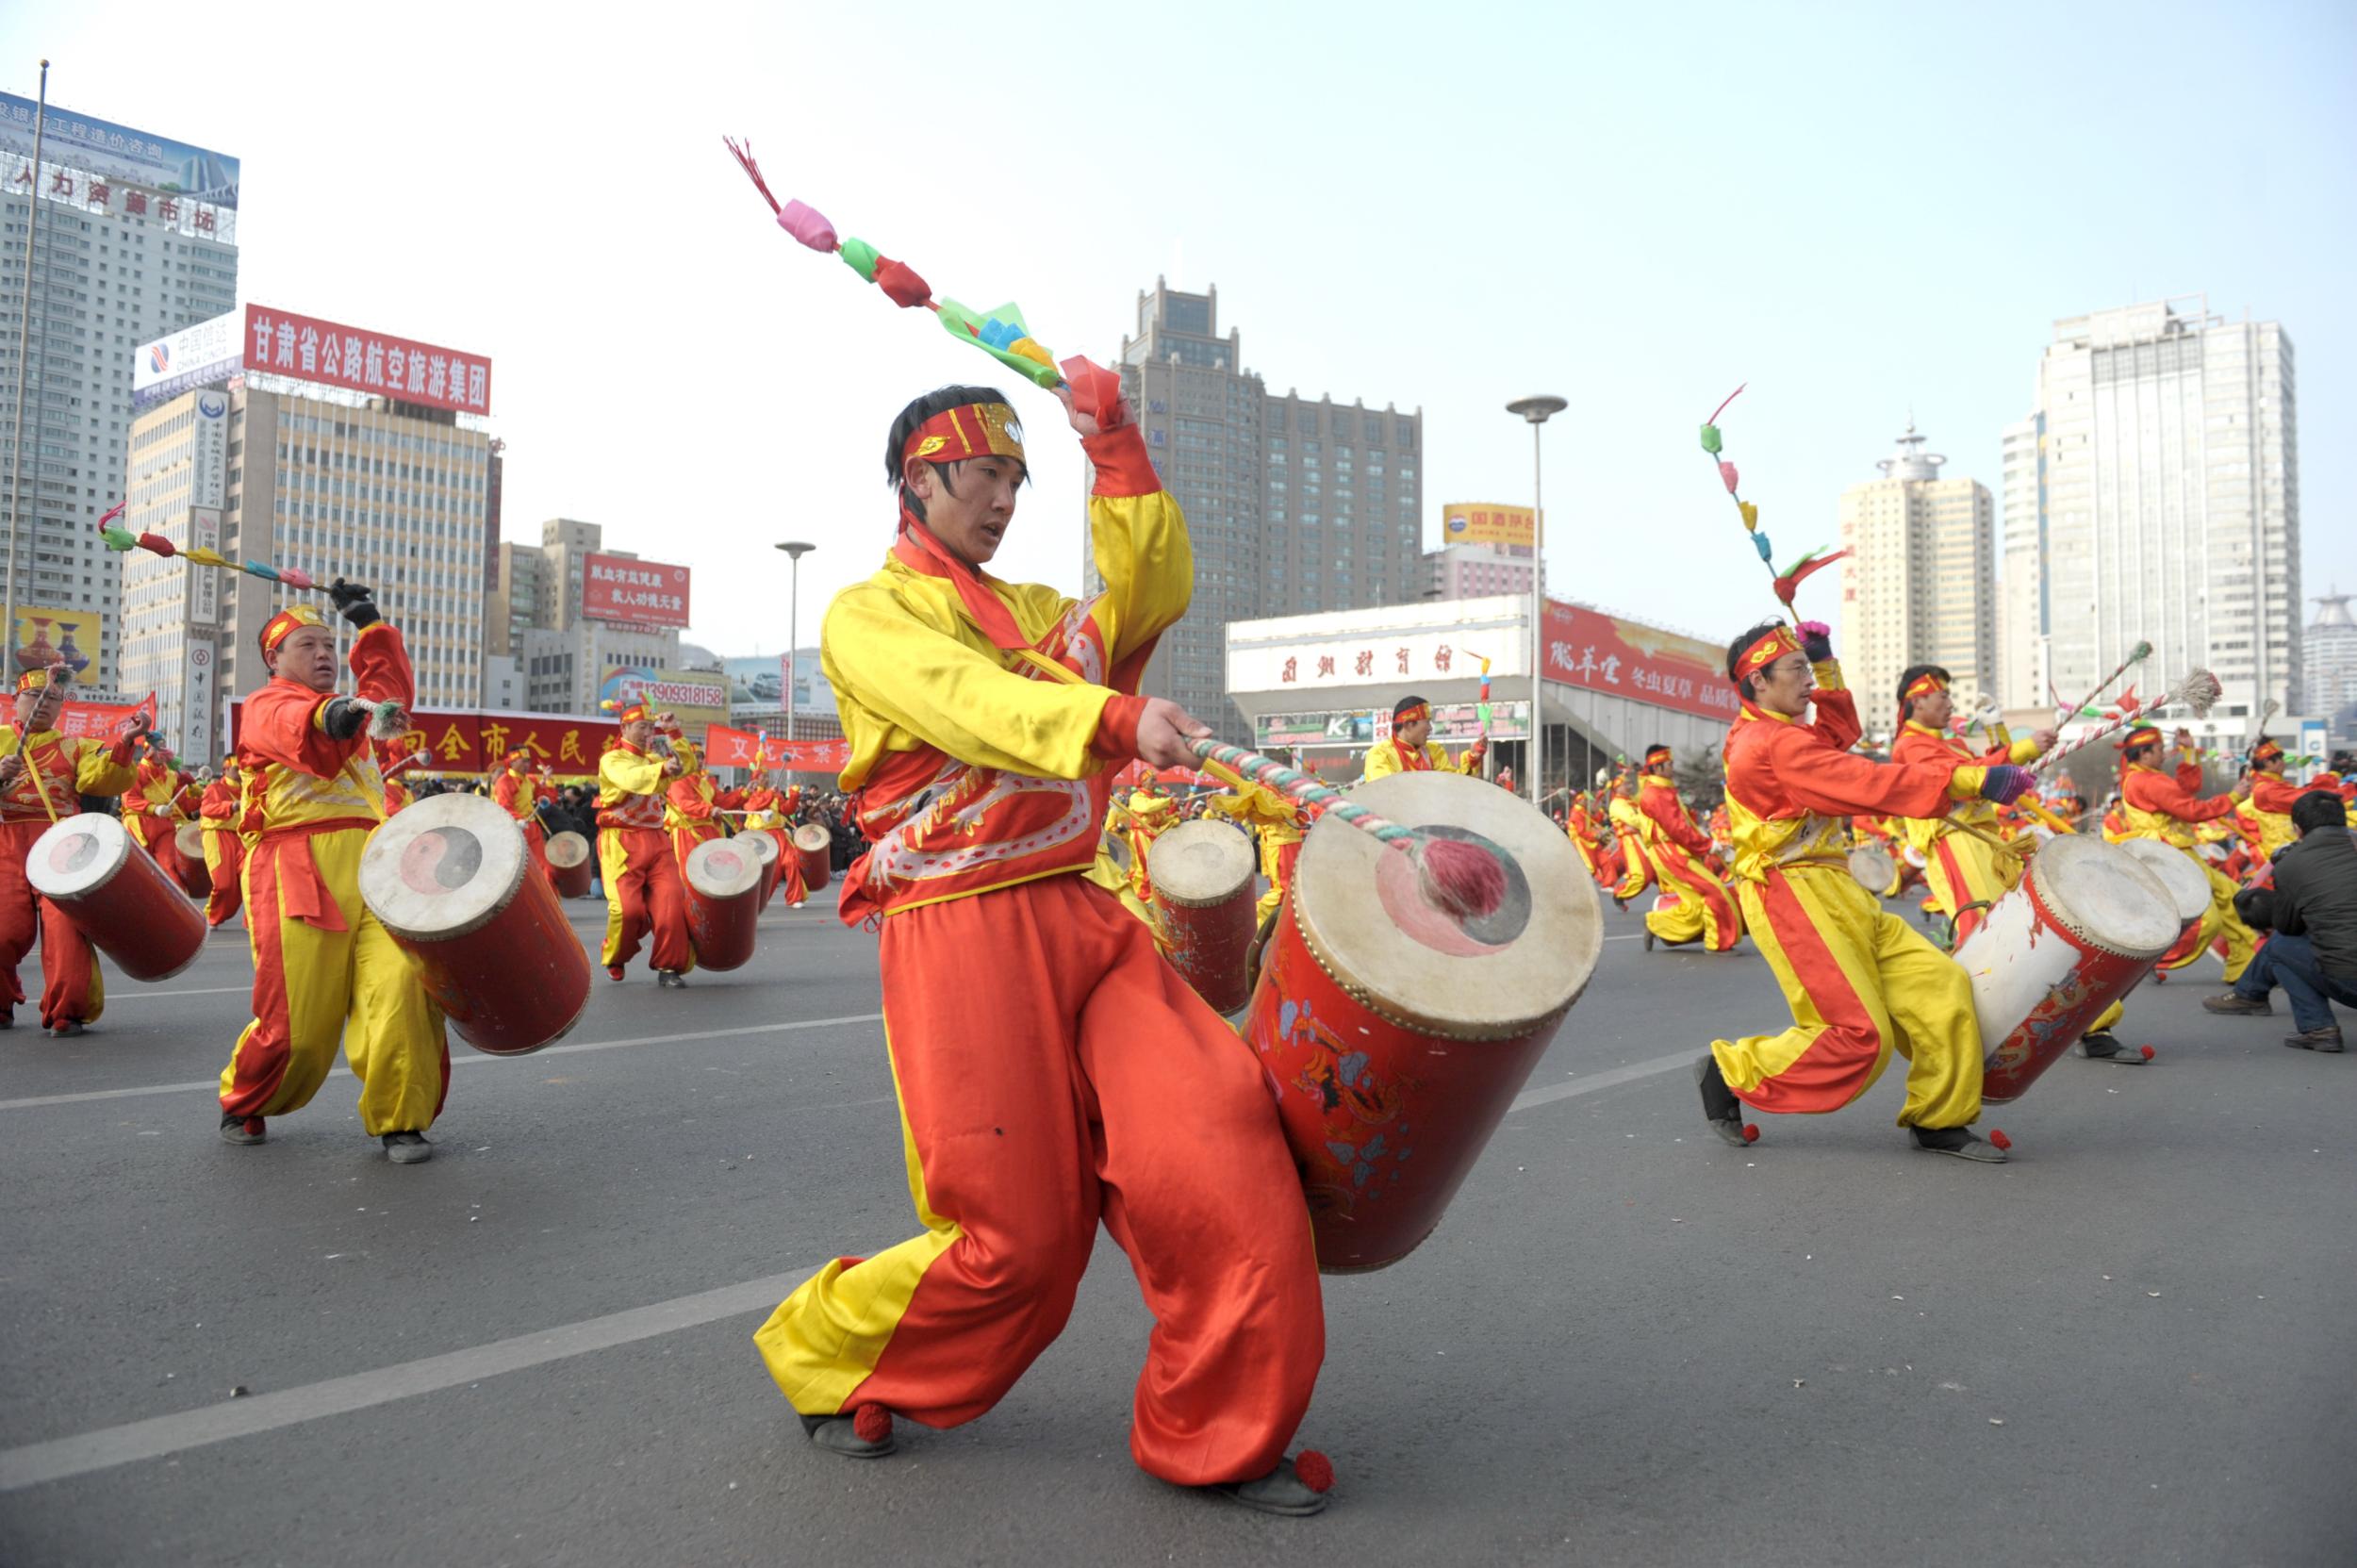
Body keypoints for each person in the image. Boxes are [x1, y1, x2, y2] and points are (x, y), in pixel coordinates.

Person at [751, 382, 1328, 1515]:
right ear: (920, 479)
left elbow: (1151, 590)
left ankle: (1219, 1431)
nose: (1006, 498)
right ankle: (830, 1351)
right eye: (986, 476)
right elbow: (963, 701)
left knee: (1222, 1141)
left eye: (1020, 478)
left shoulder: (1042, 614)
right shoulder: (870, 616)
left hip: (1081, 911)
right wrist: (1109, 719)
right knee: (1017, 1244)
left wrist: (1112, 449)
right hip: (957, 929)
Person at [1695, 619, 2034, 1163]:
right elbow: (1863, 778)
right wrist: (1969, 780)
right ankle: (1730, 1070)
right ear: (1758, 680)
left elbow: (1838, 729)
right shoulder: (1767, 744)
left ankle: (1940, 1120)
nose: (1808, 681)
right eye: (1798, 670)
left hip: (1836, 885)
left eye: (1809, 669)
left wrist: (1825, 663)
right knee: (1859, 1036)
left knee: (1940, 985)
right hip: (1791, 893)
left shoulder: (1786, 733)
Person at [217, 587, 449, 1164]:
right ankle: (247, 1097)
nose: (323, 654)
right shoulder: (266, 706)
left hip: (376, 863)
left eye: (329, 644)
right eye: (306, 645)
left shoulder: (347, 711)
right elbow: (306, 726)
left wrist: (368, 623)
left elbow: (385, 696)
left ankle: (401, 1119)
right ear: (274, 659)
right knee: (301, 1023)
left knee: (402, 986)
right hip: (297, 867)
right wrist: (336, 710)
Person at [0, 664, 143, 1034]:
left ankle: (67, 1010)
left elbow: (103, 777)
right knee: (4, 930)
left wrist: (125, 743)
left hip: (59, 844)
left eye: (53, 698)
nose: (44, 704)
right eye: (35, 696)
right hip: (7, 841)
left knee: (65, 930)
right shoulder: (1, 739)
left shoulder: (75, 746)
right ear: (16, 701)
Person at [2205, 792, 2357, 1049]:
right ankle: (2249, 993)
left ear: (2297, 829)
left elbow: (2287, 927)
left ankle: (2318, 1027)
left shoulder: (2291, 863)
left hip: (2349, 979)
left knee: (2280, 947)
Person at [2118, 725, 2257, 982]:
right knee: (2207, 921)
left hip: (2181, 852)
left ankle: (2244, 964)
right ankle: (2146, 962)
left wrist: (2190, 752)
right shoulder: (2146, 781)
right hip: (2169, 857)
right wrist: (2233, 797)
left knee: (2232, 897)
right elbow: (2191, 809)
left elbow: (2187, 789)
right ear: (2145, 753)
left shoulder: (2148, 777)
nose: (2164, 753)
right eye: (2160, 750)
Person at [596, 701, 693, 987]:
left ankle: (668, 966)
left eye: (651, 727)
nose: (647, 732)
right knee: (627, 911)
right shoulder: (612, 760)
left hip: (657, 839)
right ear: (624, 728)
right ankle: (616, 955)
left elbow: (688, 766)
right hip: (623, 842)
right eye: (641, 727)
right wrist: (663, 769)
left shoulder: (653, 759)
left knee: (671, 901)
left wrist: (673, 731)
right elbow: (631, 779)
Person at [1631, 743, 1741, 952]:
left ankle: (1656, 923)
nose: (1673, 768)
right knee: (1715, 893)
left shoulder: (1662, 790)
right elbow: (1677, 829)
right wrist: (1708, 845)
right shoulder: (1656, 794)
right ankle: (1717, 943)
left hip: (1672, 850)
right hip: (1670, 852)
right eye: (1669, 764)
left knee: (1696, 905)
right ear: (1658, 768)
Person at [1361, 695, 1483, 781]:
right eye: (1427, 723)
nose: (1430, 728)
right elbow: (1385, 790)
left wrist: (1473, 757)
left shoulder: (1433, 751)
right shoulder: (1380, 754)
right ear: (1408, 725)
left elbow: (1454, 783)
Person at [737, 767, 808, 908]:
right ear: (755, 779)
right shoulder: (750, 794)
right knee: (771, 871)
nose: (767, 779)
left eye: (767, 776)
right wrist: (770, 793)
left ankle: (795, 897)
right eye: (763, 776)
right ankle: (758, 900)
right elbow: (755, 806)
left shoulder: (775, 794)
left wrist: (794, 795)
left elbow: (786, 810)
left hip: (778, 833)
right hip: (760, 837)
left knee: (791, 861)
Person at [196, 760, 246, 928]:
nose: (240, 772)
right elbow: (206, 809)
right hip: (217, 834)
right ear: (225, 770)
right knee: (224, 884)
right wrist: (230, 806)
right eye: (236, 768)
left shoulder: (249, 789)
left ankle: (253, 921)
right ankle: (210, 915)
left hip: (244, 837)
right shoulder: (215, 788)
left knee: (252, 878)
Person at [490, 749, 552, 875]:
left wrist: (544, 794)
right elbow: (504, 806)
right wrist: (518, 819)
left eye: (528, 762)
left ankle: (544, 894)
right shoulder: (504, 781)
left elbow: (542, 795)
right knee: (515, 869)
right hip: (514, 828)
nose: (527, 765)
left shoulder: (531, 779)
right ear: (512, 762)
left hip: (532, 828)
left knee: (543, 867)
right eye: (523, 762)